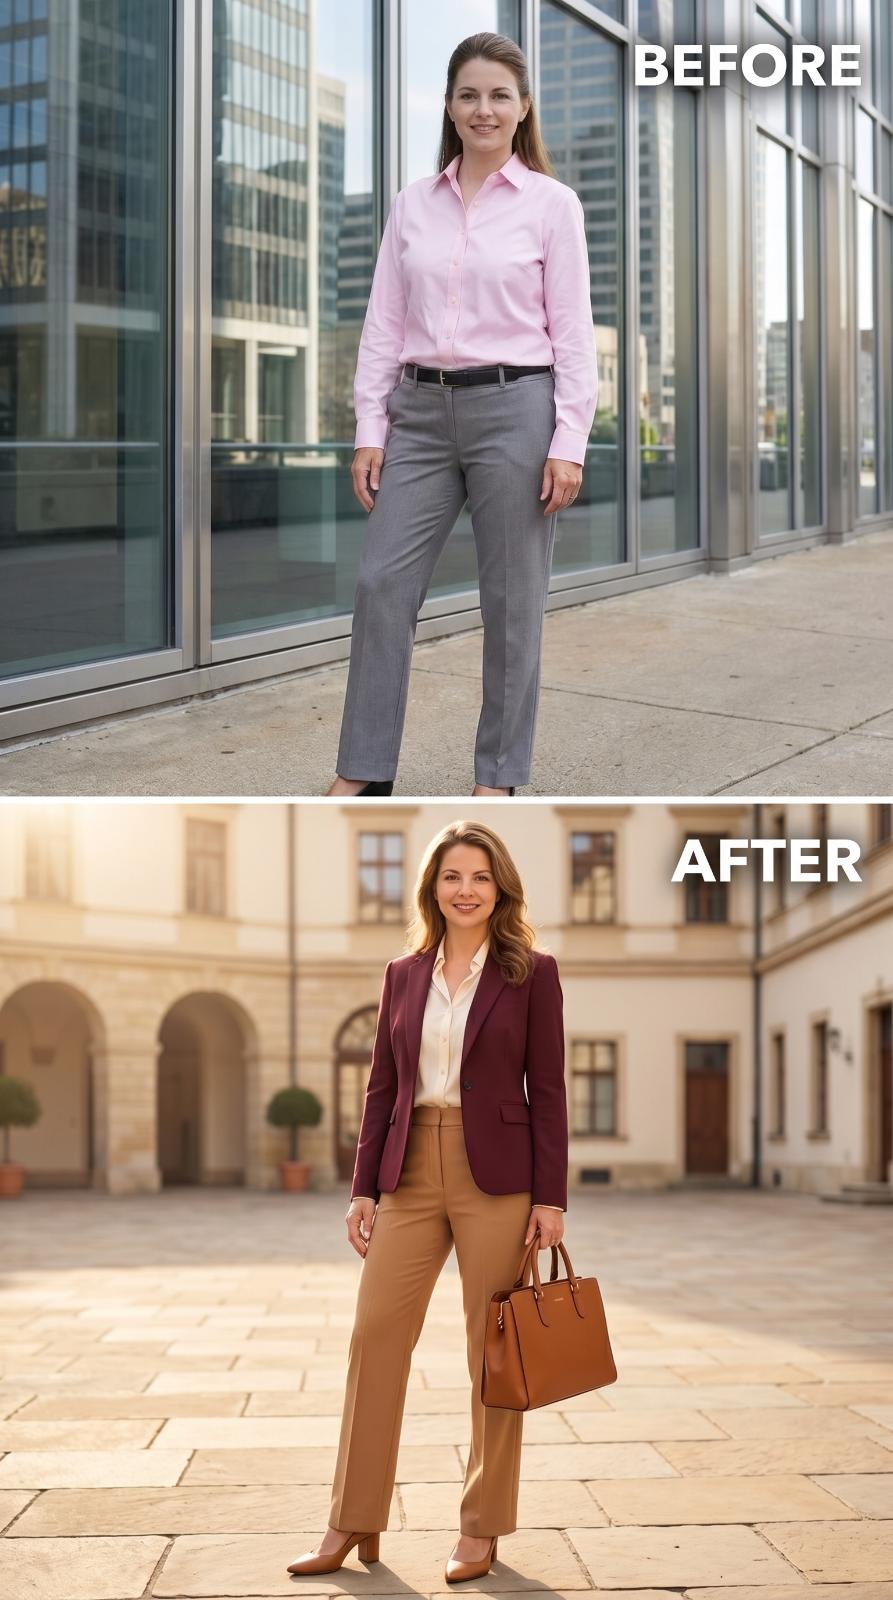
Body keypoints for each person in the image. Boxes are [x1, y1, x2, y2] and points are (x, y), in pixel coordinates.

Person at [286, 820, 569, 1583]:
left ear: (499, 887)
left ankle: (481, 1526)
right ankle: (352, 1518)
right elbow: (383, 1085)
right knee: (373, 1334)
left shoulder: (530, 972)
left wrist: (551, 1198)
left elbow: (546, 1090)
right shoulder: (402, 974)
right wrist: (363, 1187)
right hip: (410, 1171)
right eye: (452, 877)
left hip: (498, 1179)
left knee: (495, 1350)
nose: (466, 889)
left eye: (479, 877)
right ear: (432, 888)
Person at [327, 31, 598, 799]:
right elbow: (382, 322)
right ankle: (363, 768)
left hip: (517, 408)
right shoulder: (415, 203)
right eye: (469, 94)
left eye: (499, 96)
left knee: (511, 606)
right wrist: (369, 429)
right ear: (449, 105)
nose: (484, 109)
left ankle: (498, 779)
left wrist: (568, 441)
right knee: (381, 585)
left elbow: (573, 334)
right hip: (416, 412)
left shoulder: (552, 205)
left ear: (521, 110)